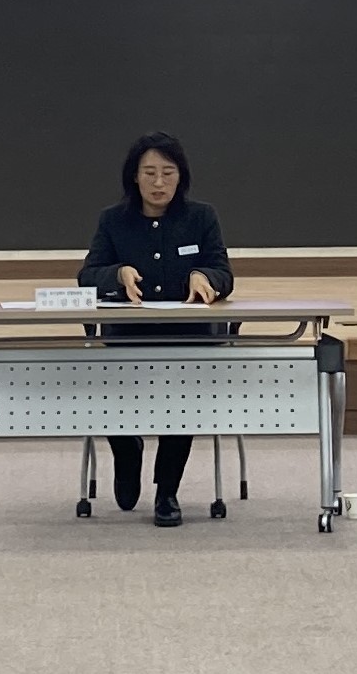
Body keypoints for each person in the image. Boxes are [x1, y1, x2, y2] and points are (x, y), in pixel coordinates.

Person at [77, 131, 230, 528]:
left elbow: (223, 272)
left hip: (188, 340)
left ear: (181, 177)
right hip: (128, 338)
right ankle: (127, 453)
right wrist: (118, 274)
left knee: (183, 405)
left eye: (168, 172)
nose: (159, 182)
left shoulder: (201, 217)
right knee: (111, 394)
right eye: (149, 173)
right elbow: (87, 276)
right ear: (134, 176)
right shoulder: (113, 221)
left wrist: (204, 277)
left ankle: (167, 491)